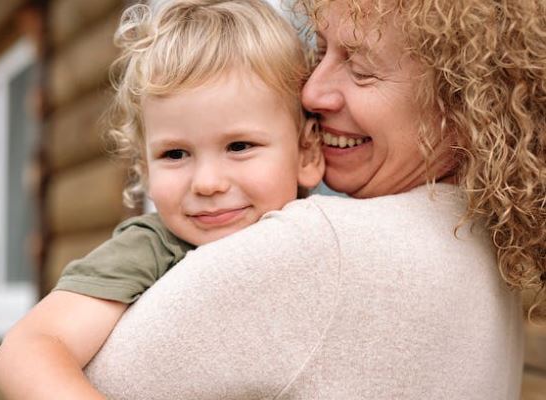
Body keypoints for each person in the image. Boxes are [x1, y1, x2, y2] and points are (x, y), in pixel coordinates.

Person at [76, 0, 542, 399]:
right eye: (320, 52)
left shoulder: (322, 248)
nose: (312, 92)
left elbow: (92, 379)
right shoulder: (480, 237)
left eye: (360, 69)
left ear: (461, 99)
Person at [0, 0, 324, 398]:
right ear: (145, 170)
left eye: (239, 146)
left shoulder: (332, 232)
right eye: (175, 154)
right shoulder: (153, 248)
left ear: (307, 154)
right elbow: (28, 348)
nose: (207, 182)